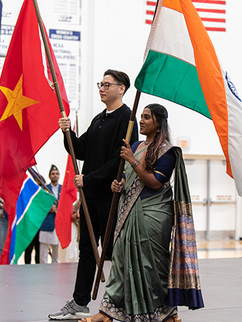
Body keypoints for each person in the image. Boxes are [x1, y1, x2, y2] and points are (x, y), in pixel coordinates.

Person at [79, 104, 203, 322]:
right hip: (128, 212)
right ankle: (108, 312)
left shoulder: (168, 151)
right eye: (141, 116)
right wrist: (119, 185)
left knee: (151, 265)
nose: (142, 121)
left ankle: (166, 312)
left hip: (153, 215)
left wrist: (132, 160)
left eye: (147, 117)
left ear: (158, 123)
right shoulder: (135, 145)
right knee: (121, 260)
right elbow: (130, 179)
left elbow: (155, 183)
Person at [48, 69, 138, 320]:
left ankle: (123, 303)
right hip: (89, 196)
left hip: (111, 196)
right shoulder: (99, 119)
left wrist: (89, 179)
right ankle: (79, 302)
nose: (102, 88)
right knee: (87, 249)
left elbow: (118, 160)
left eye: (107, 84)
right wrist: (67, 133)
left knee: (112, 250)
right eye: (101, 83)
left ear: (121, 88)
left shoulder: (127, 118)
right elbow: (81, 150)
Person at [39, 165, 62, 263]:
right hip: (47, 224)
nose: (55, 175)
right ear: (49, 176)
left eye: (57, 174)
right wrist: (49, 209)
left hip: (59, 225)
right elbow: (40, 205)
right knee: (43, 254)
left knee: (56, 255)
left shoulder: (63, 189)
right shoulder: (44, 189)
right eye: (53, 174)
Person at [24, 174, 47, 264]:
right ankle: (27, 266)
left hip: (40, 225)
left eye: (39, 180)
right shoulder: (29, 193)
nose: (38, 182)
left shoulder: (44, 193)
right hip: (30, 225)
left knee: (38, 247)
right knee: (28, 248)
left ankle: (38, 266)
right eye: (36, 180)